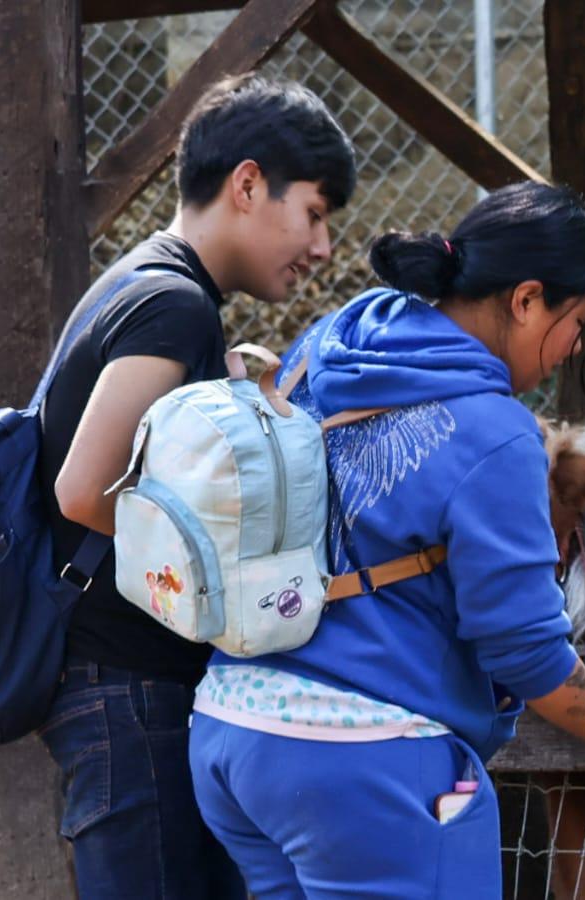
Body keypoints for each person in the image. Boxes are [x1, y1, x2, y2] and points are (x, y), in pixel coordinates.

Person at [188, 182, 585, 899]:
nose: (575, 346)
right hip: (364, 767)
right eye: (576, 320)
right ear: (525, 301)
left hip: (232, 731)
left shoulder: (331, 347)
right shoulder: (496, 435)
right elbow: (525, 651)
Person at [36, 73, 356, 899]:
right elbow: (84, 489)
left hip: (124, 692)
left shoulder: (143, 284)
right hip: (128, 695)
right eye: (315, 214)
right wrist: (234, 574)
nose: (321, 248)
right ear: (248, 184)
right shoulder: (172, 306)